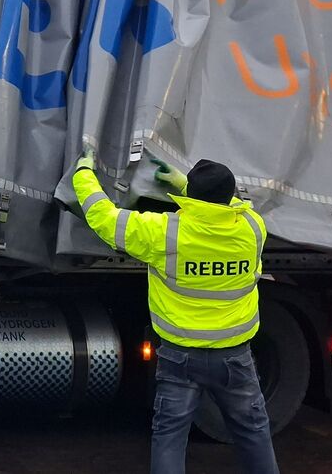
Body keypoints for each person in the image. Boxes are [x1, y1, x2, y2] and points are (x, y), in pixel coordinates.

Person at [72, 147, 279, 474]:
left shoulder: (163, 233)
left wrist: (83, 174)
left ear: (193, 199)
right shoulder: (253, 229)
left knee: (169, 436)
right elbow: (232, 208)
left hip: (180, 358)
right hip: (234, 357)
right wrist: (186, 186)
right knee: (253, 432)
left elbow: (103, 217)